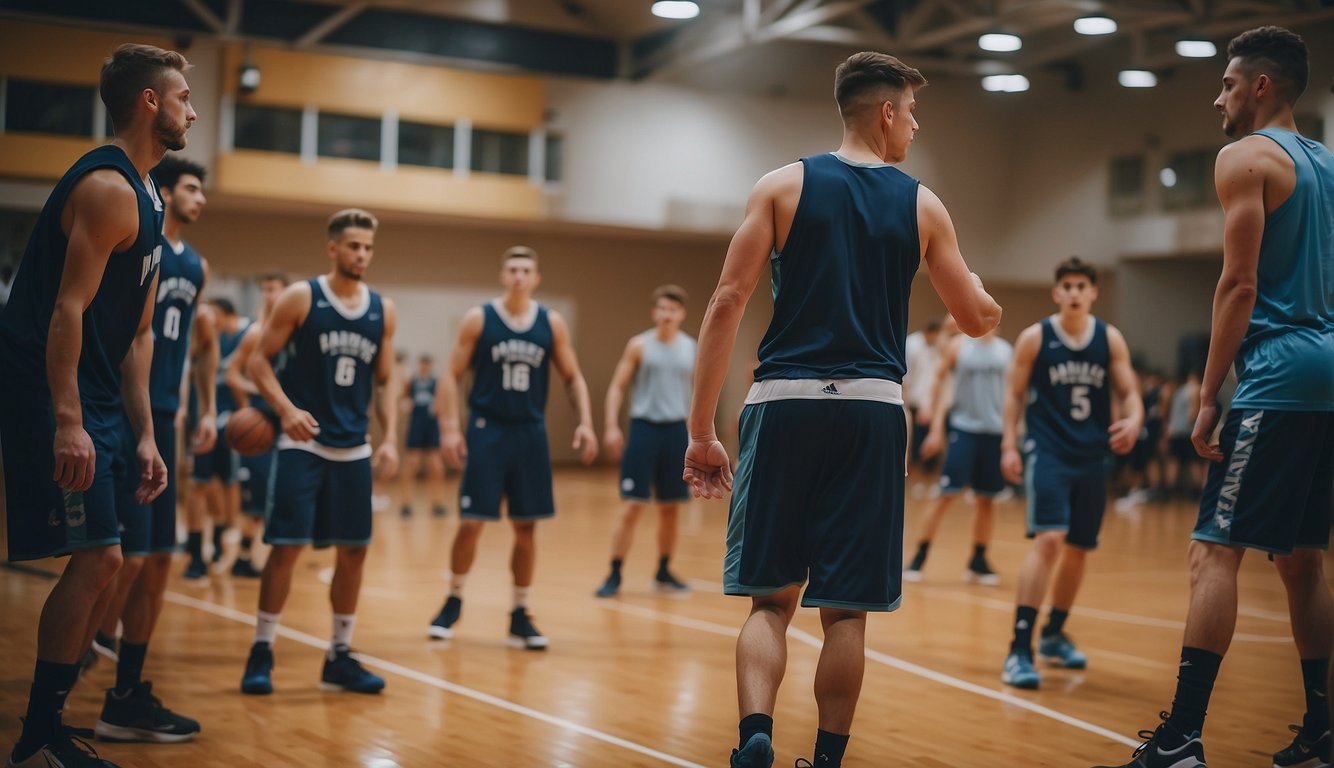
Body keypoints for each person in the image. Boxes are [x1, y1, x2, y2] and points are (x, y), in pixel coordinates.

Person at [684, 52, 1001, 768]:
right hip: (871, 410)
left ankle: (755, 737)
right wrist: (982, 290)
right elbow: (976, 320)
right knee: (846, 612)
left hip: (784, 402)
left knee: (770, 602)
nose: (915, 128)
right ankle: (826, 760)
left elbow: (727, 301)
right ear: (885, 111)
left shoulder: (780, 186)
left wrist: (702, 431)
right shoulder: (923, 204)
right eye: (912, 114)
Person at [1098, 26, 1333, 768]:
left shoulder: (1246, 157)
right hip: (1329, 372)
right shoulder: (1329, 165)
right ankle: (1323, 726)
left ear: (1262, 86)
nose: (1218, 98)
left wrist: (1207, 396)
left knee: (1212, 556)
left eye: (1228, 84)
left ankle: (1184, 737)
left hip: (1278, 376)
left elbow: (1238, 282)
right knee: (1302, 560)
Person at [0, 43, 189, 768]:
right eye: (181, 98)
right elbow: (66, 313)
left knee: (106, 560)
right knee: (100, 555)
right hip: (49, 388)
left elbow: (138, 335)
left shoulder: (152, 196)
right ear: (149, 102)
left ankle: (47, 725)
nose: (192, 111)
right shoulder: (108, 187)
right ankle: (37, 735)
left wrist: (145, 437)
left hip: (104, 395)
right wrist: (69, 421)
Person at [239, 208, 399, 695]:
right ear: (333, 248)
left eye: (368, 247)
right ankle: (262, 649)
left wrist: (390, 436)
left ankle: (340, 656)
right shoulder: (301, 297)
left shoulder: (382, 309)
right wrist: (285, 410)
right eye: (354, 246)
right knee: (287, 549)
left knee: (354, 552)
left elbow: (386, 381)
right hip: (301, 444)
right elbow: (256, 363)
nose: (362, 255)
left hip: (353, 448)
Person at [86, 156, 216, 742]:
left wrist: (202, 405)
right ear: (165, 191)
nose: (201, 199)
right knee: (121, 557)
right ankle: (82, 653)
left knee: (159, 557)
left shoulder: (197, 265)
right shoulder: (135, 241)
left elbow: (197, 340)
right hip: (119, 409)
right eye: (191, 188)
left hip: (164, 414)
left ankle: (125, 691)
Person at [427, 245, 598, 650]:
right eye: (513, 269)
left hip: (530, 433)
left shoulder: (551, 323)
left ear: (535, 278)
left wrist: (586, 423)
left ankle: (520, 613)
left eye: (526, 270)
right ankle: (453, 600)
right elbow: (450, 376)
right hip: (487, 429)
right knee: (472, 521)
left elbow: (572, 377)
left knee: (526, 527)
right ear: (503, 276)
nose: (519, 276)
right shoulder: (479, 319)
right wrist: (451, 428)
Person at [998, 257, 1141, 691]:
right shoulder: (1035, 338)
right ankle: (1019, 649)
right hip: (1049, 452)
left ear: (1093, 292)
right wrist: (1009, 443)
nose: (1075, 292)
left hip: (1092, 456)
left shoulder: (1109, 338)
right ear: (1056, 292)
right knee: (1049, 539)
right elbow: (1014, 394)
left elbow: (1129, 390)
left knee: (1078, 548)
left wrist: (1134, 420)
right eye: (1068, 286)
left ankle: (1054, 634)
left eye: (1083, 285)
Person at [596, 284, 696, 598]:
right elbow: (617, 387)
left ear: (682, 314)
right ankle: (614, 572)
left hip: (676, 432)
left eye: (673, 309)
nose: (667, 314)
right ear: (655, 312)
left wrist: (698, 435)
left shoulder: (691, 347)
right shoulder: (639, 345)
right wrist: (612, 426)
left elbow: (697, 395)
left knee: (670, 508)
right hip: (644, 430)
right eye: (663, 308)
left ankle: (664, 570)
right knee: (633, 505)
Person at [905, 326, 1012, 585]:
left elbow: (1013, 394)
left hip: (995, 432)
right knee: (946, 494)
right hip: (964, 429)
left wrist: (1011, 436)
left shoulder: (1006, 351)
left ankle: (978, 559)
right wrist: (937, 428)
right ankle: (919, 555)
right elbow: (939, 382)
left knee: (987, 499)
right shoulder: (959, 346)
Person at [225, 271, 291, 576]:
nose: (267, 295)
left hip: (288, 424)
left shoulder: (294, 332)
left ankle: (277, 552)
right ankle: (243, 556)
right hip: (261, 422)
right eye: (263, 289)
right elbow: (232, 374)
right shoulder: (255, 332)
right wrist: (253, 395)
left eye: (273, 289)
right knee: (255, 496)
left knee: (281, 493)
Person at [181, 296, 247, 582]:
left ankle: (220, 538)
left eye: (212, 313)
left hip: (233, 425)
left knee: (226, 485)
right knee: (198, 483)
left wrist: (245, 412)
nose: (208, 318)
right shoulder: (202, 340)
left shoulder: (246, 337)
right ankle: (196, 555)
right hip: (203, 423)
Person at [399, 354, 447, 519]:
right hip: (416, 424)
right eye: (423, 365)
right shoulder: (411, 381)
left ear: (430, 366)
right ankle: (406, 503)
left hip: (431, 425)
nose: (425, 367)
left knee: (435, 465)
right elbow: (404, 397)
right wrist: (405, 402)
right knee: (412, 463)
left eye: (427, 365)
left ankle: (437, 503)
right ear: (420, 366)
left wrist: (440, 409)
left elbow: (442, 403)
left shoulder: (436, 382)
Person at [1163, 368, 1204, 498]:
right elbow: (1193, 414)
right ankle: (1197, 491)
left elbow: (1171, 412)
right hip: (1188, 431)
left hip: (1175, 431)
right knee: (1193, 462)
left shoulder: (1179, 391)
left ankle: (1169, 490)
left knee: (1173, 461)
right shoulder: (1196, 389)